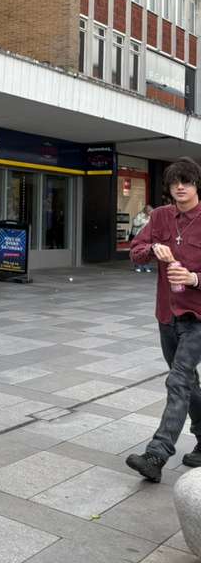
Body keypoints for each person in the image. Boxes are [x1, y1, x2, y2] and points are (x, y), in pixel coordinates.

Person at [126, 159, 201, 482]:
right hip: (166, 313)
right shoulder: (159, 217)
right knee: (188, 384)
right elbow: (135, 248)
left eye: (185, 182)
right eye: (174, 183)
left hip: (197, 316)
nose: (179, 188)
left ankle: (157, 455)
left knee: (178, 379)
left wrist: (194, 277)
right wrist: (152, 249)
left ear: (196, 184)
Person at [131, 205, 154, 273]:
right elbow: (135, 223)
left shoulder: (152, 216)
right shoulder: (140, 215)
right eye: (149, 211)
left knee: (147, 251)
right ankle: (138, 266)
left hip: (148, 236)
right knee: (138, 251)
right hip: (139, 236)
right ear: (146, 211)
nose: (150, 212)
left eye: (151, 211)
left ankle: (146, 266)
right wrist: (144, 220)